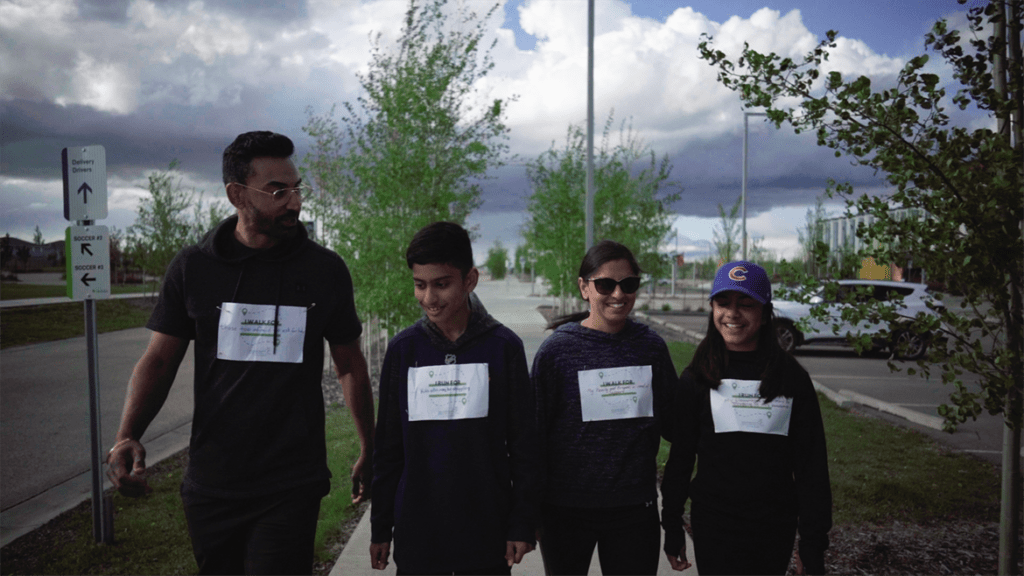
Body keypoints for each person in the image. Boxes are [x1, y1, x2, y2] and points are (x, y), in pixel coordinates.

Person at [105, 131, 376, 576]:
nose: (294, 201)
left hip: (291, 480)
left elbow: (349, 363)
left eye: (296, 187)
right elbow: (158, 360)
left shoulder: (324, 270)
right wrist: (127, 434)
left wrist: (369, 445)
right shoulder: (194, 267)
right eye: (277, 191)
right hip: (213, 484)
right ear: (236, 194)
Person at [369, 221, 540, 575]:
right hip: (419, 527)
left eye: (442, 284)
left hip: (484, 527)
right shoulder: (404, 350)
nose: (429, 298)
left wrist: (521, 522)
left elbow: (525, 444)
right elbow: (387, 446)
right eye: (420, 285)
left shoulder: (503, 347)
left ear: (470, 280)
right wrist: (381, 527)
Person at [661, 261, 832, 576]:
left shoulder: (791, 378)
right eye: (723, 302)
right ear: (712, 307)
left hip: (774, 525)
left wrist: (812, 541)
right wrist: (672, 523)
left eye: (746, 304)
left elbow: (811, 465)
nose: (732, 313)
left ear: (765, 311)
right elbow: (681, 457)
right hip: (714, 524)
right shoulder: (697, 377)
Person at [531, 240, 678, 576]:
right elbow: (534, 434)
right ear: (584, 288)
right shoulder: (558, 352)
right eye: (605, 284)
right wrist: (530, 510)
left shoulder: (650, 348)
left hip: (633, 508)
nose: (618, 293)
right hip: (564, 508)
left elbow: (675, 422)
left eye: (628, 284)